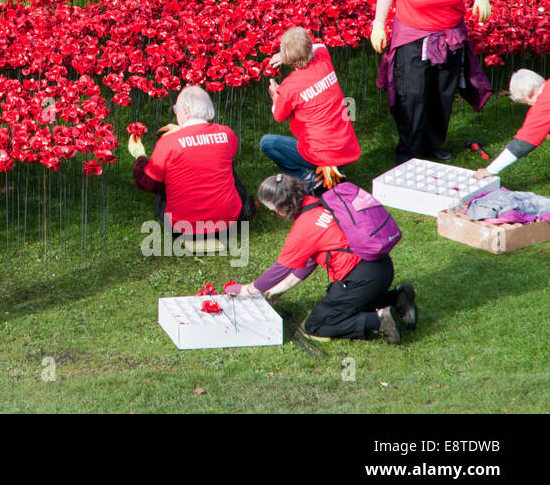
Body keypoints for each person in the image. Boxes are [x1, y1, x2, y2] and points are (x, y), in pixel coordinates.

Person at [229, 174, 416, 344]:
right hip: (381, 267)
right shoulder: (322, 203)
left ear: (281, 208)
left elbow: (281, 268)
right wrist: (276, 292)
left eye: (273, 211)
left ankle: (379, 320)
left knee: (316, 326)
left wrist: (248, 289)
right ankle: (397, 298)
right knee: (345, 301)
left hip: (361, 278)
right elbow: (305, 266)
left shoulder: (304, 228)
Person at [371, 0, 493, 163]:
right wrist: (378, 24)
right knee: (412, 93)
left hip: (449, 37)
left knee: (442, 92)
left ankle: (432, 144)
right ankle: (409, 150)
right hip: (413, 36)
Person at [128, 85, 253, 235]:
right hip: (228, 223)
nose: (176, 114)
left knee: (163, 183)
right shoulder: (226, 133)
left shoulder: (168, 143)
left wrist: (139, 155)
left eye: (176, 110)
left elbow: (148, 183)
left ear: (185, 111)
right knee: (227, 167)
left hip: (183, 228)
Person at [261, 27, 360, 182]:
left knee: (267, 143)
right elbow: (319, 46)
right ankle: (333, 171)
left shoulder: (289, 87)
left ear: (288, 58)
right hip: (346, 147)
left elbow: (278, 115)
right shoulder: (323, 60)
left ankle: (308, 178)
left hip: (321, 154)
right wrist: (287, 55)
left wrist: (274, 94)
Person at [474, 69, 550, 179]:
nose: (528, 105)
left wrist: (489, 170)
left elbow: (522, 144)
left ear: (526, 94)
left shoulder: (543, 105)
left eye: (524, 102)